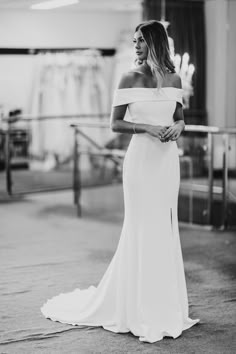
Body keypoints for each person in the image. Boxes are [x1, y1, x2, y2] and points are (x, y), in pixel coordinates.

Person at [41, 20, 199, 343]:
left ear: (155, 43)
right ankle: (136, 306)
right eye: (134, 40)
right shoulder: (128, 78)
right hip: (140, 163)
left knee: (165, 229)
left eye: (141, 40)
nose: (136, 46)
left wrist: (177, 129)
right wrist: (147, 128)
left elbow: (180, 117)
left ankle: (165, 304)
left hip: (167, 163)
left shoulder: (174, 78)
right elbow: (114, 124)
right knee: (140, 228)